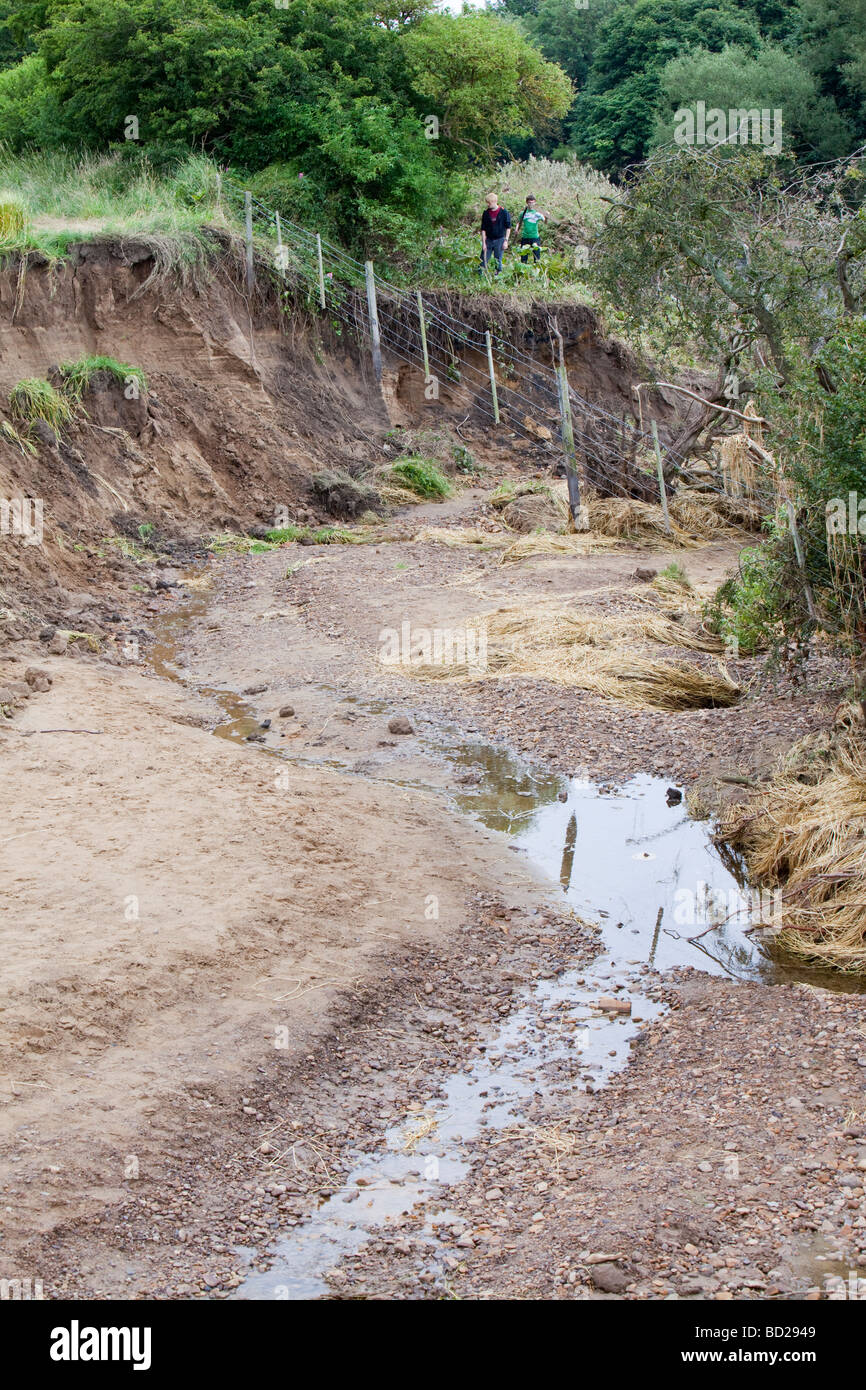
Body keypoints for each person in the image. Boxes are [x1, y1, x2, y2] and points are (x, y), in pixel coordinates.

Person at [479, 192, 511, 274]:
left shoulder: (504, 212)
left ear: (494, 202)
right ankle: (480, 274)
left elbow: (508, 227)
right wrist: (483, 243)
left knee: (498, 259)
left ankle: (498, 275)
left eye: (489, 203)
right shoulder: (486, 213)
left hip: (499, 240)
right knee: (483, 258)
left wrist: (506, 241)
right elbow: (483, 229)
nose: (488, 205)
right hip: (489, 240)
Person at [517, 195, 546, 262]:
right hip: (525, 236)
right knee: (523, 256)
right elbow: (519, 222)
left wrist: (544, 216)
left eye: (532, 202)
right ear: (527, 203)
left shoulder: (537, 213)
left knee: (536, 256)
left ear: (535, 202)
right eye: (529, 202)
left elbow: (545, 222)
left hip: (535, 236)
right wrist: (516, 229)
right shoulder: (523, 213)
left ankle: (536, 268)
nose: (531, 204)